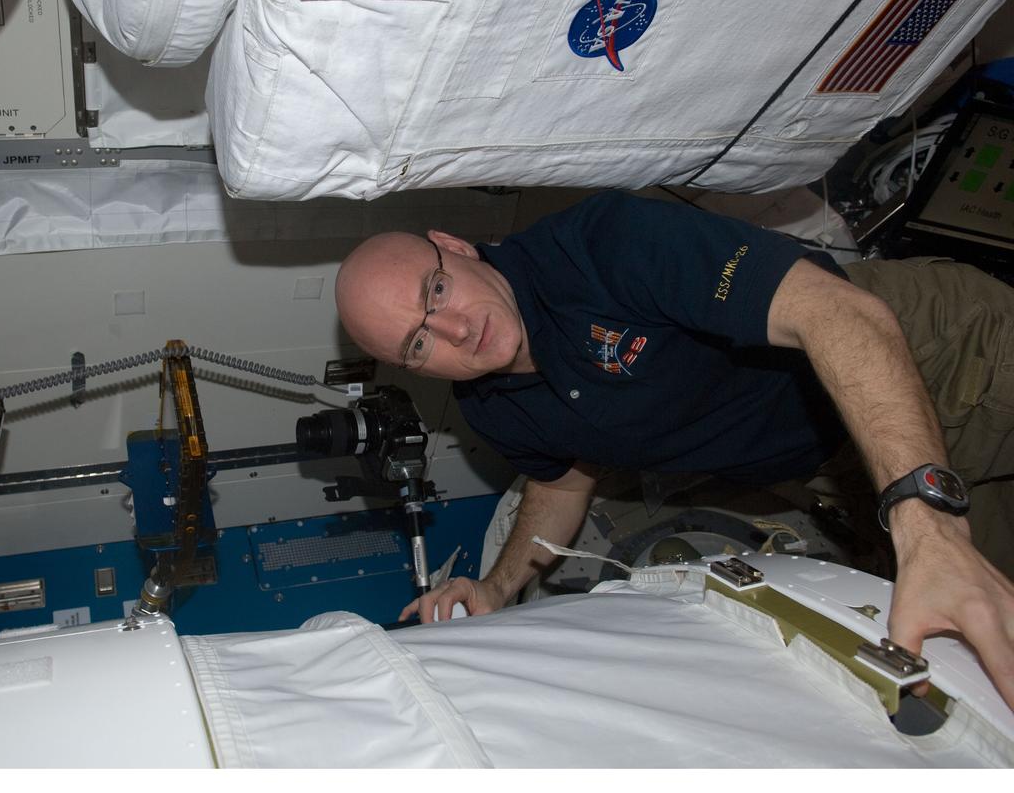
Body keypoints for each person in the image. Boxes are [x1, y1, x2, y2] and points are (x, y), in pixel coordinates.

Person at [335, 190, 1014, 711]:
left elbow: (836, 315)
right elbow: (564, 483)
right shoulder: (494, 405)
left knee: (946, 560)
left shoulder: (604, 244)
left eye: (437, 291)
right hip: (838, 470)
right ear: (417, 370)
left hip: (938, 357)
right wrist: (495, 586)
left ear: (455, 246)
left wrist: (925, 523)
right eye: (420, 344)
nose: (457, 330)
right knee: (982, 636)